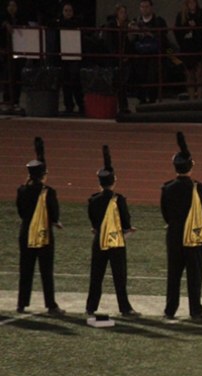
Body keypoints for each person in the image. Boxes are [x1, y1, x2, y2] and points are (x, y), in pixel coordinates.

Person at [161, 132, 202, 321]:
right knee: (195, 274)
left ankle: (170, 309)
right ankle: (195, 310)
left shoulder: (167, 188)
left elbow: (165, 213)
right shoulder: (197, 188)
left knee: (173, 274)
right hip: (193, 235)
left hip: (174, 235)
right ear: (191, 167)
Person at [85, 145, 139, 318]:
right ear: (114, 181)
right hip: (116, 241)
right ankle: (125, 308)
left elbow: (93, 221)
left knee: (96, 275)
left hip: (99, 240)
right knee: (119, 276)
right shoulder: (119, 199)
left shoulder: (93, 200)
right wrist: (128, 230)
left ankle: (91, 307)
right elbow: (125, 221)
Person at [16, 137, 65, 315]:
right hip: (44, 234)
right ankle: (50, 305)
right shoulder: (48, 192)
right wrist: (55, 221)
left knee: (25, 270)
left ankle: (21, 304)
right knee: (46, 271)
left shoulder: (22, 190)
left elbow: (21, 211)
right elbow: (54, 212)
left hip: (26, 233)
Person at [130, 0, 167, 104]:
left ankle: (152, 99)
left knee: (152, 76)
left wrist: (150, 33)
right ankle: (141, 99)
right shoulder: (136, 21)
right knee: (140, 75)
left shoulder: (159, 21)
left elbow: (163, 36)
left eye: (147, 6)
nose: (144, 9)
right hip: (140, 53)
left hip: (153, 53)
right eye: (142, 6)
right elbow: (132, 39)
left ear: (151, 7)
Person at [175, 0, 202, 100]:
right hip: (186, 47)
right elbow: (177, 31)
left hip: (198, 46)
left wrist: (196, 27)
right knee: (189, 74)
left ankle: (200, 98)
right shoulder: (181, 15)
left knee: (199, 73)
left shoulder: (201, 13)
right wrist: (187, 28)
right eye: (190, 3)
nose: (192, 4)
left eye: (193, 2)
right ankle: (191, 98)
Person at [56, 2, 85, 114]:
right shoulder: (58, 24)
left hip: (75, 55)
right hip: (62, 56)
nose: (68, 13)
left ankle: (81, 105)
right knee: (65, 82)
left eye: (70, 11)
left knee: (76, 80)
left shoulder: (78, 23)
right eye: (66, 11)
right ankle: (68, 105)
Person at [102, 4, 132, 113]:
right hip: (112, 58)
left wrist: (127, 55)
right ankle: (119, 107)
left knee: (123, 81)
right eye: (121, 12)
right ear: (117, 14)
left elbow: (127, 43)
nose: (124, 15)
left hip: (122, 58)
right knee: (118, 81)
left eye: (125, 12)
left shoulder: (125, 26)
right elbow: (109, 43)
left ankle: (124, 106)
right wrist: (117, 56)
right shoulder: (111, 26)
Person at [1, 0, 27, 111]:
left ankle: (15, 101)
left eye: (14, 5)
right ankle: (7, 101)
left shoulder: (21, 18)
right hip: (5, 52)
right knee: (7, 75)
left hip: (18, 52)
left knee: (17, 75)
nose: (12, 8)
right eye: (10, 5)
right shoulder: (2, 18)